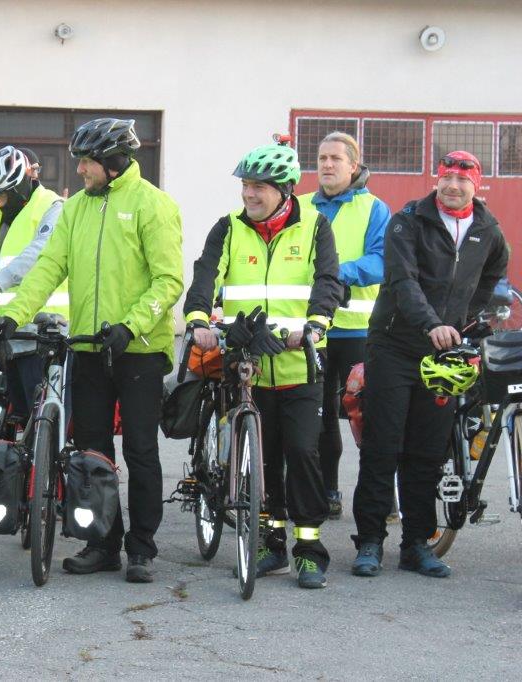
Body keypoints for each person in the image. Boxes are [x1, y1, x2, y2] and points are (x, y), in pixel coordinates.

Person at [0, 118, 183, 583]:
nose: (79, 169)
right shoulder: (75, 208)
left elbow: (169, 280)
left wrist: (131, 325)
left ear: (113, 162)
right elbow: (49, 267)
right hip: (89, 348)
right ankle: (103, 544)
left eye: (87, 161)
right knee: (92, 449)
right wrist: (14, 315)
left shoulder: (153, 204)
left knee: (140, 449)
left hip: (138, 349)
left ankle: (142, 549)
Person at [184, 140, 341, 589]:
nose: (249, 194)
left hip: (297, 363)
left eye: (259, 187)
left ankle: (309, 550)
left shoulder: (315, 226)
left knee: (303, 452)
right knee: (261, 459)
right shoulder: (228, 228)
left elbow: (327, 281)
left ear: (285, 189)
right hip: (246, 363)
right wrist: (198, 320)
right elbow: (206, 275)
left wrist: (315, 325)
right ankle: (272, 543)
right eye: (246, 186)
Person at [351, 151, 508, 579]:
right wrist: (432, 323)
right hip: (394, 346)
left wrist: (465, 320)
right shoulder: (408, 221)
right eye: (446, 178)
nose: (453, 186)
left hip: (443, 353)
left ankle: (416, 544)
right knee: (383, 446)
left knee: (427, 452)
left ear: (477, 185)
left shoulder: (488, 231)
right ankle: (369, 542)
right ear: (436, 180)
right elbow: (402, 280)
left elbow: (492, 275)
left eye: (463, 180)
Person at [303, 132, 391, 519]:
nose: (327, 164)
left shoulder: (374, 208)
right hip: (314, 328)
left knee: (367, 417)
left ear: (353, 166)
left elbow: (382, 260)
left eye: (335, 158)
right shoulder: (300, 205)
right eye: (322, 158)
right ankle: (328, 492)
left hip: (360, 331)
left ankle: (383, 499)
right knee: (320, 418)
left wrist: (335, 272)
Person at [0, 145, 65, 421]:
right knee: (16, 417)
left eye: (3, 194)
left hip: (42, 334)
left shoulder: (52, 207)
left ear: (21, 186)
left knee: (40, 419)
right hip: (5, 333)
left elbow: (39, 253)